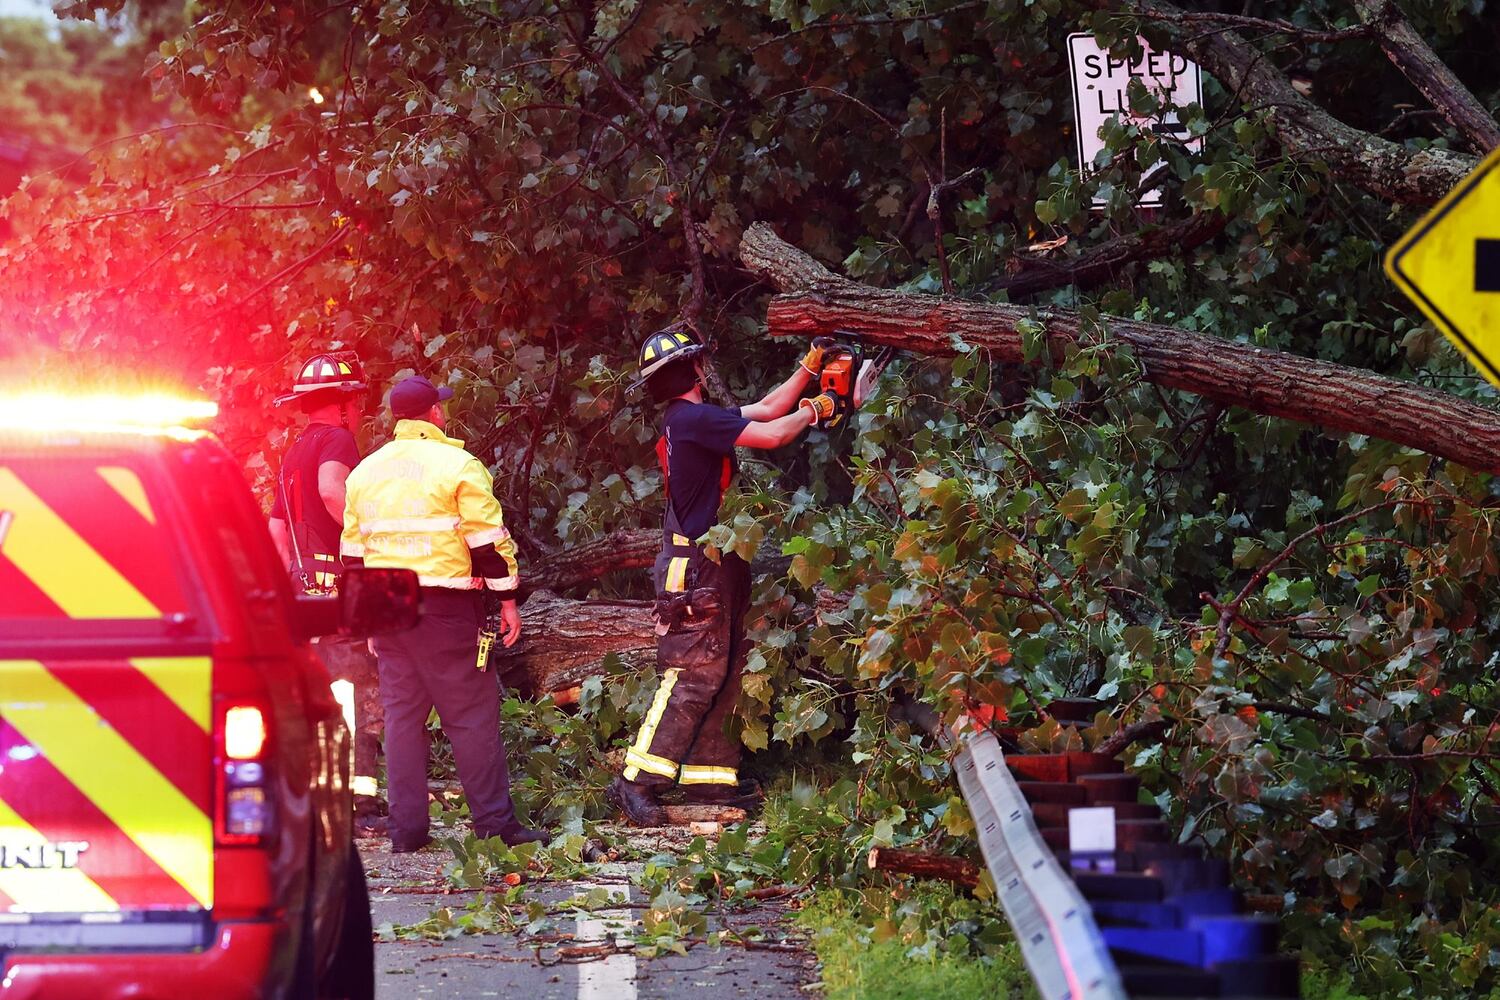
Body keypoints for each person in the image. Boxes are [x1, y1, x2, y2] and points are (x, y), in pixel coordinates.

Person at [607, 326, 840, 825]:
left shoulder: (692, 418)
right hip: (695, 567)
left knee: (729, 667)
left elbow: (767, 409)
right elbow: (776, 434)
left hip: (718, 559)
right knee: (694, 674)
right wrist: (819, 409)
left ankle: (709, 780)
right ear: (689, 369)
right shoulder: (692, 420)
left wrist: (811, 365)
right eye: (698, 363)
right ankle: (633, 781)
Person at [339, 374, 547, 852]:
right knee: (471, 715)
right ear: (435, 413)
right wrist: (508, 597)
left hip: (388, 608)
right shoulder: (458, 465)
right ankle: (495, 826)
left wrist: (368, 616)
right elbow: (486, 543)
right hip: (447, 607)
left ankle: (407, 831)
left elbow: (353, 554)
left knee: (402, 720)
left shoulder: (364, 473)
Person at [268, 352, 385, 828]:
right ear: (342, 405)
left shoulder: (293, 451)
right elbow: (334, 491)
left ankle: (316, 796)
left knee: (318, 694)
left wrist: (286, 596)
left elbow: (275, 531)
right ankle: (362, 806)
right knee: (359, 693)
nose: (357, 409)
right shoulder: (338, 439)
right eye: (354, 401)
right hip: (338, 588)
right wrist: (372, 542)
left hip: (304, 591)